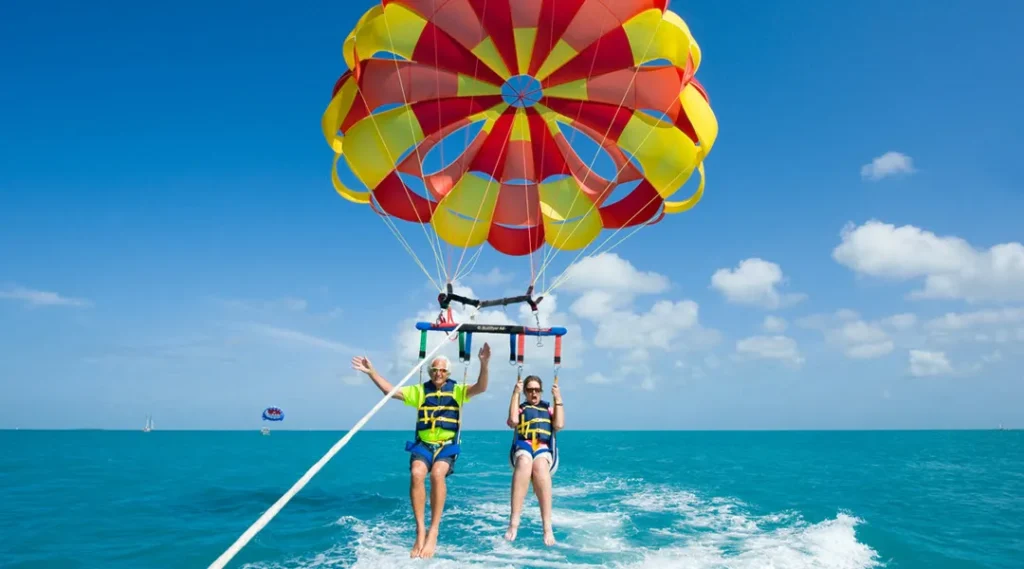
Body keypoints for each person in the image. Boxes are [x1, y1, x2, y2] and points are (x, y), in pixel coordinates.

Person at [351, 343, 491, 559]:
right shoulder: (420, 391)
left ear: (448, 373)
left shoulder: (457, 390)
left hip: (447, 445)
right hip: (423, 444)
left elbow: (481, 387)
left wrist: (484, 363)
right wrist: (372, 372)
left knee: (436, 474)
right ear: (430, 372)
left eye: (443, 370)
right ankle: (420, 530)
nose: (438, 373)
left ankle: (434, 530)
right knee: (417, 474)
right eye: (435, 370)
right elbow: (389, 391)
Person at [504, 374, 564, 545]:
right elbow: (513, 421)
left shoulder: (549, 409)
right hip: (523, 446)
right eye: (530, 390)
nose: (534, 393)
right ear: (525, 392)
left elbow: (559, 425)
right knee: (524, 462)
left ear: (541, 391)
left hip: (543, 448)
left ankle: (547, 527)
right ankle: (514, 523)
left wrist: (558, 398)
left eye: (537, 390)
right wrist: (515, 394)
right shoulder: (521, 408)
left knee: (540, 467)